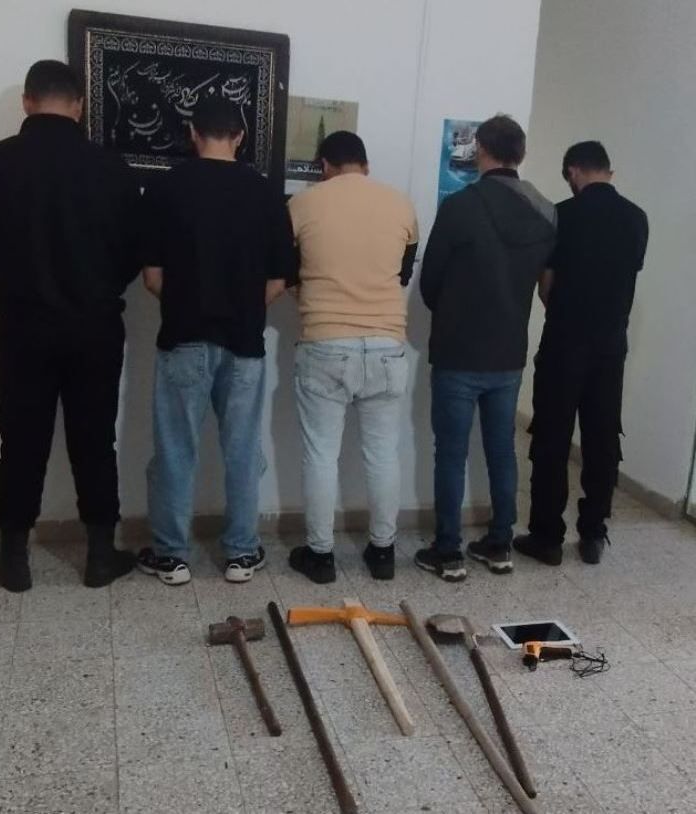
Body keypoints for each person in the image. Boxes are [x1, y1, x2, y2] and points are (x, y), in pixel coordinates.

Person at [0, 60, 142, 592]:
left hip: (21, 325)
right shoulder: (112, 168)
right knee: (95, 440)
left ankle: (13, 559)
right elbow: (131, 253)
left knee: (20, 439)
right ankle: (100, 556)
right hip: (95, 325)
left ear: (27, 100)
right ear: (79, 105)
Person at [136, 96, 295, 586]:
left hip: (182, 336)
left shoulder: (164, 188)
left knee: (175, 450)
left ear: (192, 132)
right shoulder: (266, 193)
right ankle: (242, 554)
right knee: (243, 450)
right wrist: (242, 307)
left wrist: (188, 303)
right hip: (244, 342)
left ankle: (171, 556)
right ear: (240, 136)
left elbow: (152, 278)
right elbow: (278, 280)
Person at [416, 115, 556, 582]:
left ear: (481, 150)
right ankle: (500, 544)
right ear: (521, 153)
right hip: (509, 351)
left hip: (458, 350)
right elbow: (546, 280)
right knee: (502, 449)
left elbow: (430, 282)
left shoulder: (460, 206)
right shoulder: (545, 212)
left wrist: (452, 313)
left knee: (451, 453)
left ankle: (448, 550)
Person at [286, 131, 419, 584]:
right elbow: (403, 273)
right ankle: (382, 552)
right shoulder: (401, 204)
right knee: (382, 453)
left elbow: (287, 272)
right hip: (386, 344)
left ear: (323, 165)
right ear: (365, 164)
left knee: (321, 454)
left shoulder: (301, 205)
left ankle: (321, 556)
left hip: (325, 343)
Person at [514, 142, 649, 566]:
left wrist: (559, 305)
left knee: (552, 436)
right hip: (610, 345)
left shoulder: (561, 216)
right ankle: (592, 533)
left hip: (564, 340)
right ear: (608, 170)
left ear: (573, 171)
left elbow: (546, 286)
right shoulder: (636, 218)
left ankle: (547, 537)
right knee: (602, 436)